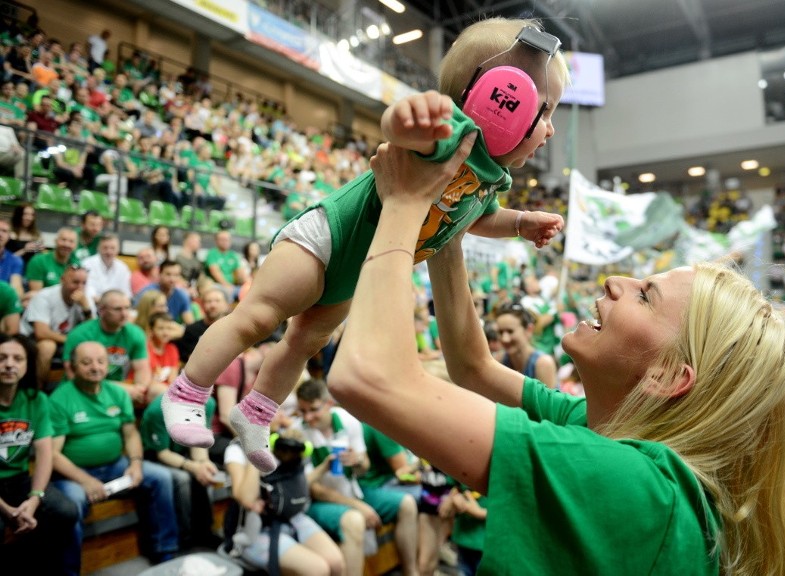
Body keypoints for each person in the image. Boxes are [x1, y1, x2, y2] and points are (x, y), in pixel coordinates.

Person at [324, 137, 785, 574]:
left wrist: (404, 203)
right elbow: (473, 368)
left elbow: (369, 376)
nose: (615, 281)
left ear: (670, 376)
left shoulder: (639, 487)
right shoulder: (613, 428)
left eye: (645, 295)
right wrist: (445, 217)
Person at [165, 18, 568, 474]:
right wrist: (407, 118)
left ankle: (256, 412)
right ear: (503, 98)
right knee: (257, 317)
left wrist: (519, 223)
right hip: (329, 237)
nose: (550, 130)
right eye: (546, 110)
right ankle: (188, 392)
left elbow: (475, 216)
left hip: (360, 270)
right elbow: (399, 130)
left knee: (304, 341)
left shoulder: (493, 174)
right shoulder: (450, 132)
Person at [50, 341, 180, 566]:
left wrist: (136, 463)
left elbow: (130, 434)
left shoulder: (117, 393)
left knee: (161, 478)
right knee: (73, 502)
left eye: (101, 361)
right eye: (86, 362)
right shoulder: (60, 399)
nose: (95, 367)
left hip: (114, 465)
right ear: (72, 366)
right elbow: (52, 454)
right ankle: (69, 569)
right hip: (74, 473)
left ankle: (164, 551)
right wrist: (85, 480)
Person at [296, 378, 419, 576]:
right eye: (302, 411)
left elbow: (364, 468)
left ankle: (411, 572)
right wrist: (356, 505)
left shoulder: (347, 420)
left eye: (313, 410)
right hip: (318, 501)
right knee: (355, 520)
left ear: (328, 404)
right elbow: (312, 488)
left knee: (407, 503)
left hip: (351, 488)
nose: (308, 417)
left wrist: (358, 462)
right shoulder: (300, 433)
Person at [0, 334, 79, 575]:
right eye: (2, 358)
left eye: (18, 358)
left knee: (66, 511)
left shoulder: (37, 400)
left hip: (19, 479)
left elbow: (45, 453)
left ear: (27, 365)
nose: (10, 364)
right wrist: (7, 510)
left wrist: (34, 498)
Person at [224, 427, 345, 575]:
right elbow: (246, 499)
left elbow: (293, 488)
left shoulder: (291, 438)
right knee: (317, 569)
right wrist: (256, 451)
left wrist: (323, 468)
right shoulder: (237, 449)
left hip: (291, 518)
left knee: (336, 562)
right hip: (256, 528)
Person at [139, 389, 219, 551]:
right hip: (156, 453)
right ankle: (185, 535)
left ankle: (205, 531)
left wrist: (202, 463)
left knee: (206, 473)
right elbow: (162, 453)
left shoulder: (208, 403)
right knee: (182, 478)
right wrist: (192, 467)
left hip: (183, 449)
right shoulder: (158, 409)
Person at [63, 290, 154, 406]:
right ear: (101, 311)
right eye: (117, 309)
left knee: (159, 393)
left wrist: (139, 389)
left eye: (127, 308)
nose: (124, 314)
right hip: (81, 392)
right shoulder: (80, 334)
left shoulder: (135, 333)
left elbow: (142, 369)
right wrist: (120, 389)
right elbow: (73, 375)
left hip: (119, 390)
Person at [20, 264, 93, 388]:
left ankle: (80, 392)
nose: (79, 288)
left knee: (91, 347)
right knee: (48, 346)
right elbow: (41, 333)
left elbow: (92, 332)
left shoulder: (85, 299)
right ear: (62, 280)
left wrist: (86, 309)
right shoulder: (44, 296)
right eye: (75, 282)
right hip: (31, 341)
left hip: (63, 341)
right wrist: (73, 340)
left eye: (84, 283)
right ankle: (37, 390)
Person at [493, 301, 557, 387]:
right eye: (500, 332)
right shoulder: (498, 360)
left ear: (529, 330)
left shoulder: (543, 363)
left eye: (510, 331)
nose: (505, 339)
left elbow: (548, 400)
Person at [135, 260, 194, 325]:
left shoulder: (182, 295)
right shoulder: (147, 292)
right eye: (168, 274)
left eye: (176, 275)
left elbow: (190, 323)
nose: (172, 279)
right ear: (160, 274)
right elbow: (136, 316)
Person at [80, 232, 132, 303]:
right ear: (98, 248)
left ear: (118, 249)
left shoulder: (123, 268)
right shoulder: (87, 264)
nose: (109, 252)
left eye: (112, 248)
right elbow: (86, 290)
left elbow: (126, 293)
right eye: (105, 248)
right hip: (93, 305)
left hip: (116, 307)